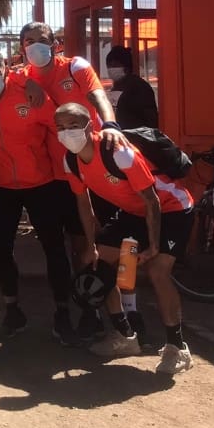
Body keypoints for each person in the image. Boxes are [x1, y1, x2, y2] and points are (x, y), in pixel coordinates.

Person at [56, 103, 194, 374]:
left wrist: (153, 245)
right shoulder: (70, 160)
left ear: (90, 126)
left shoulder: (118, 153)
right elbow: (84, 204)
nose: (66, 132)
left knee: (157, 270)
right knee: (96, 262)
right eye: (60, 127)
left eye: (73, 125)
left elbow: (152, 201)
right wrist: (92, 245)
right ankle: (125, 335)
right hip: (134, 210)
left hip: (171, 207)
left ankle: (177, 348)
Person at [0, 48, 78, 340]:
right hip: (0, 185)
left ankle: (63, 313)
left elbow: (58, 126)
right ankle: (13, 311)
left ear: (5, 69)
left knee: (54, 248)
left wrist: (68, 169)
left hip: (41, 183)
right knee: (1, 249)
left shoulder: (30, 94)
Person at [20, 21, 118, 127]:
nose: (37, 46)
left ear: (55, 46)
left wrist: (110, 126)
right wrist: (27, 81)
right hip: (53, 142)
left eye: (43, 41)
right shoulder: (21, 77)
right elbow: (7, 74)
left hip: (90, 140)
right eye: (30, 42)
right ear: (22, 49)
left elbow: (99, 97)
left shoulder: (75, 67)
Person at [105, 45, 158, 129]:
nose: (111, 69)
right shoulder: (114, 87)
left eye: (115, 65)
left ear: (126, 67)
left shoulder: (140, 87)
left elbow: (150, 119)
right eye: (109, 66)